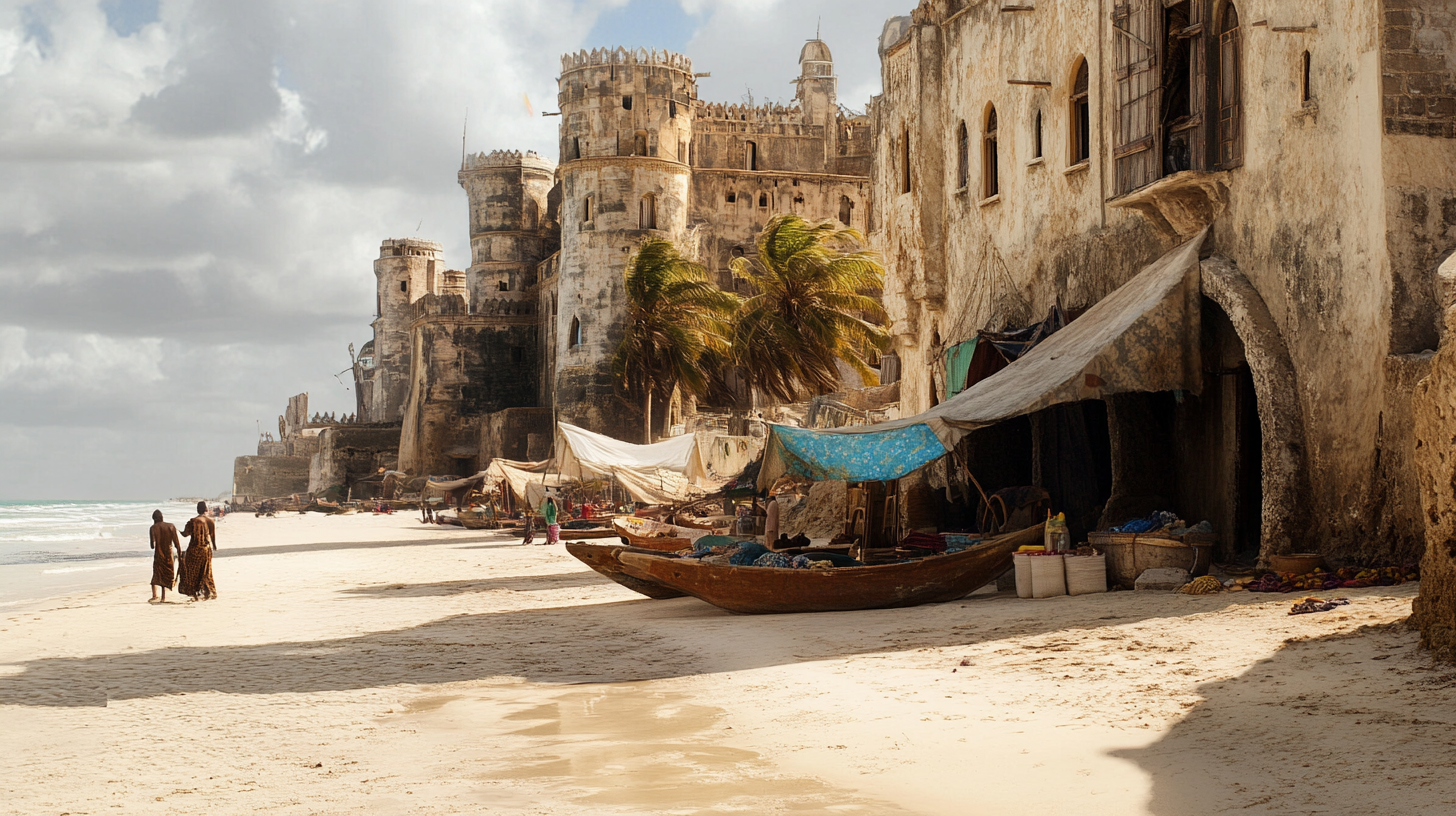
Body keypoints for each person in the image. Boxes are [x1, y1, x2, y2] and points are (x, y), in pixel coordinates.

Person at [178, 501, 218, 601]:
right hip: (206, 549)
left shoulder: (193, 521)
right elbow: (212, 536)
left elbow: (185, 534)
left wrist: (177, 531)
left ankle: (194, 592)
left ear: (197, 509)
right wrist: (214, 546)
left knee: (192, 571)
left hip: (194, 550)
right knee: (206, 571)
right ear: (206, 509)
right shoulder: (210, 521)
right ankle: (207, 591)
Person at [148, 510, 182, 603]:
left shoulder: (153, 528)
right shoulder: (171, 526)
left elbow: (152, 546)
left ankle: (155, 595)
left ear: (154, 519)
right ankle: (163, 597)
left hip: (158, 554)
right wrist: (180, 554)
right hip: (168, 554)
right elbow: (177, 544)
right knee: (166, 575)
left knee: (156, 575)